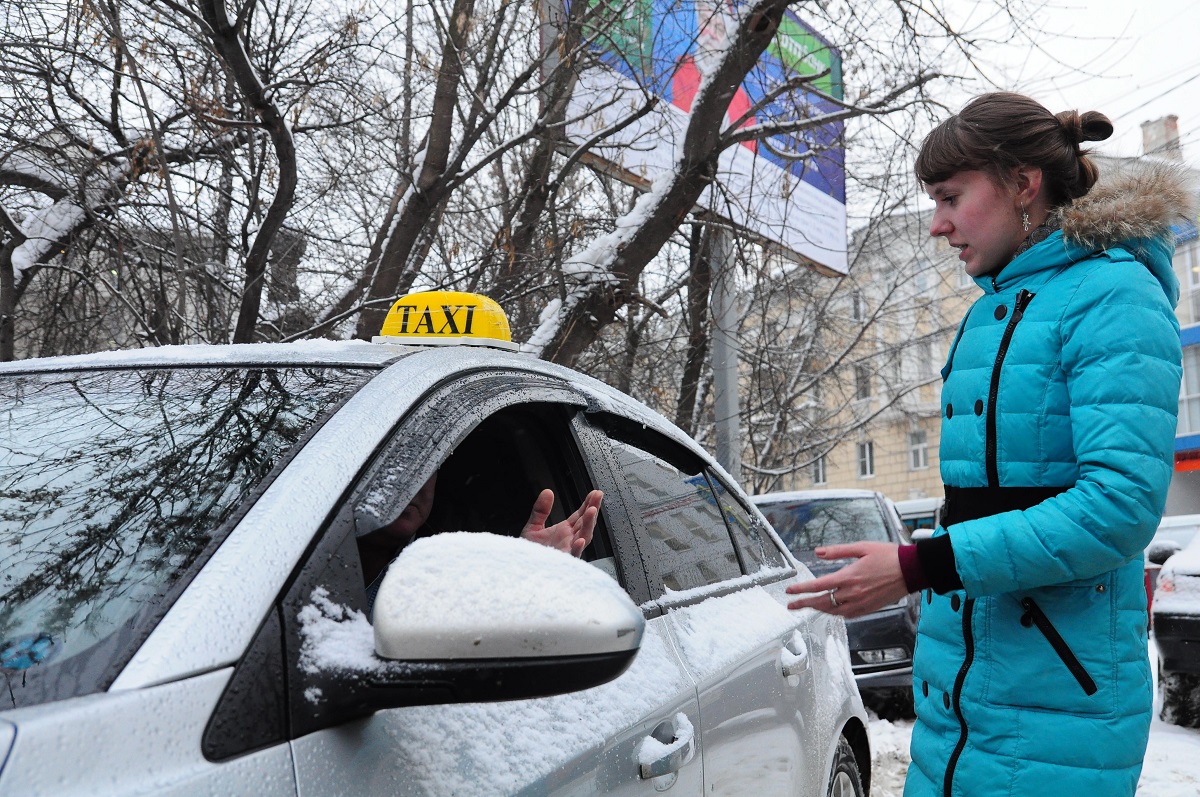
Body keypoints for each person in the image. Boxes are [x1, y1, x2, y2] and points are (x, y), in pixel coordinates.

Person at [785, 92, 1192, 795]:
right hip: (959, 706)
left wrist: (920, 563)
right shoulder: (989, 315)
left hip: (1058, 710)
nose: (939, 225)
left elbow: (1118, 507)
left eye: (950, 197)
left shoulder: (1115, 296)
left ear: (1023, 184)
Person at [358, 471, 603, 605]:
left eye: (426, 465)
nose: (412, 480)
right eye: (397, 463)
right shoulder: (319, 548)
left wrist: (528, 574)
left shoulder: (453, 576)